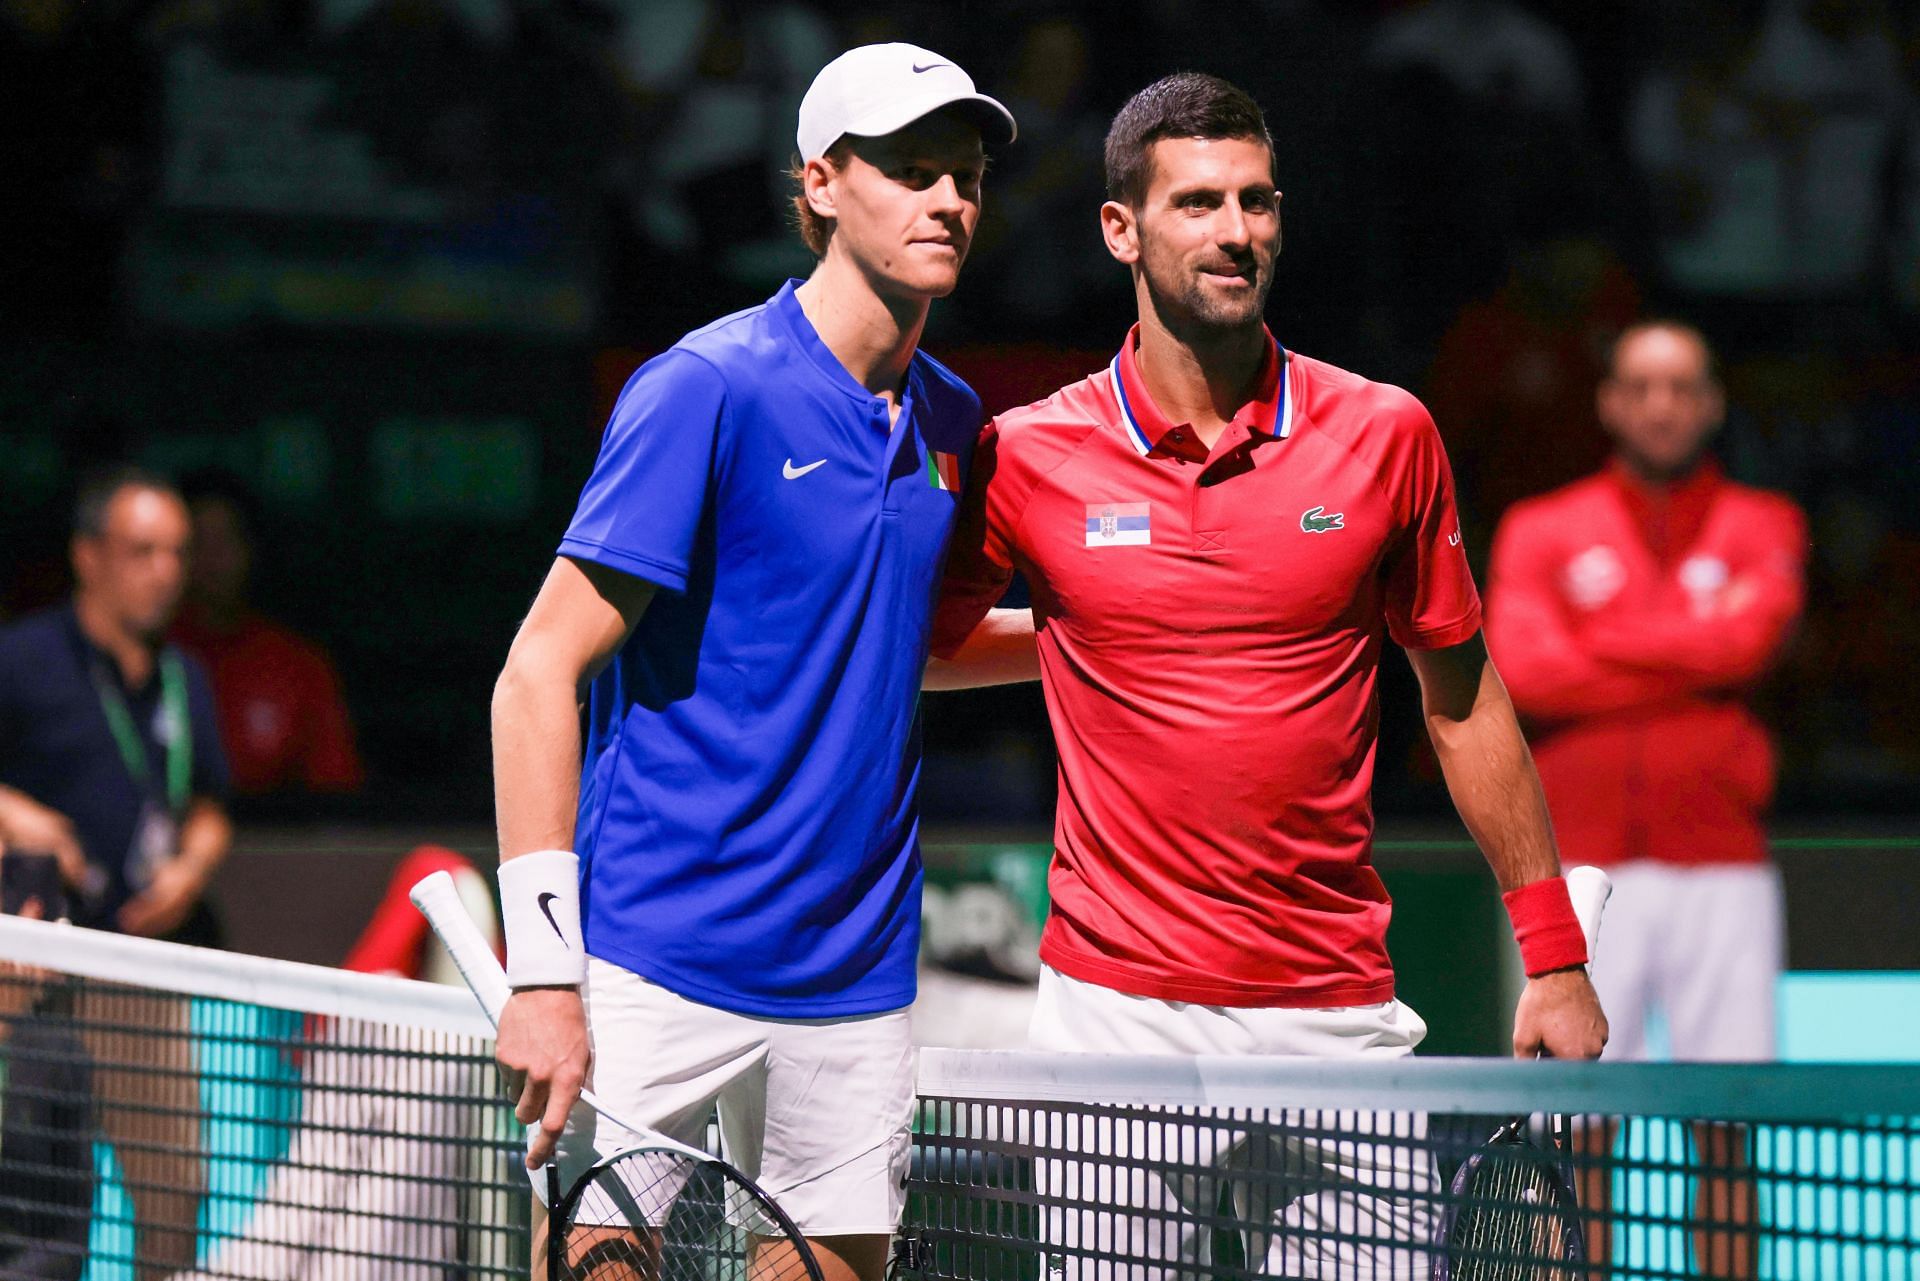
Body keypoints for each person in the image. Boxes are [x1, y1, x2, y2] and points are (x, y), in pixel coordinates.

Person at [926, 73, 1605, 1279]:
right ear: (1121, 230)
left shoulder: (1387, 431)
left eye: (1256, 201)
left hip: (1334, 1014)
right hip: (1111, 1017)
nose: (1235, 232)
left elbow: (1464, 698)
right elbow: (914, 657)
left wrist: (1553, 956)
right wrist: (1082, 638)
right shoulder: (1025, 455)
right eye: (1196, 203)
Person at [487, 43, 1014, 1279]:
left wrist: (1091, 645)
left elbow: (898, 652)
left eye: (966, 179)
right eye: (911, 171)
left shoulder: (954, 422)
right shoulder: (705, 390)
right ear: (821, 185)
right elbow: (535, 672)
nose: (947, 201)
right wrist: (546, 972)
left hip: (852, 979)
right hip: (650, 958)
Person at [1485, 320, 1807, 1276]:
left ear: (1710, 403)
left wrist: (1605, 639)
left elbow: (1749, 646)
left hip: (1724, 868)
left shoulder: (1766, 523)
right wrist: (1684, 645)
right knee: (1575, 1129)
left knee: (1727, 1126)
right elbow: (1529, 671)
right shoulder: (1540, 526)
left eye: (1682, 386)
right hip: (1575, 868)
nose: (1662, 405)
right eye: (1642, 385)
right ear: (1611, 403)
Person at [0, 467, 232, 1281]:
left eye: (175, 552)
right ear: (88, 556)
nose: (165, 570)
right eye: (142, 550)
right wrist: (16, 816)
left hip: (139, 966)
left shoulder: (184, 675)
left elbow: (210, 801)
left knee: (178, 1188)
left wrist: (193, 868)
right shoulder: (22, 657)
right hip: (26, 967)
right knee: (36, 1203)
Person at [170, 471, 366, 802]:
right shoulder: (143, 660)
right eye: (198, 543)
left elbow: (336, 794)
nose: (212, 559)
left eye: (225, 540)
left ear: (251, 550)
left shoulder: (298, 665)